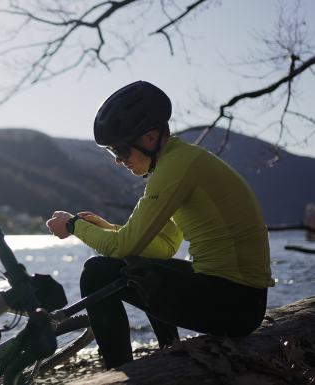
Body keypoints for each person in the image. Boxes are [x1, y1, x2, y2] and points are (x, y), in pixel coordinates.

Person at [46, 80, 273, 369]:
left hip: (234, 304)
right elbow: (163, 248)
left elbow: (126, 246)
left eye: (121, 151)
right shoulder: (182, 161)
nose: (118, 161)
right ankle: (170, 353)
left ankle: (119, 372)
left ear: (150, 138)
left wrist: (74, 225)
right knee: (138, 266)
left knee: (97, 273)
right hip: (242, 301)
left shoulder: (176, 167)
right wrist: (107, 228)